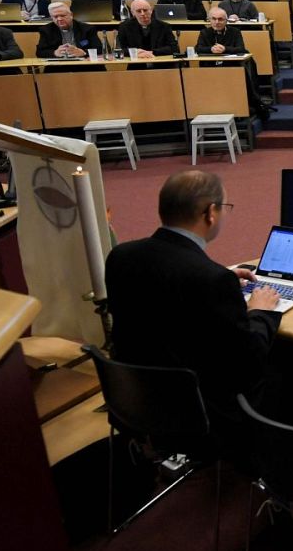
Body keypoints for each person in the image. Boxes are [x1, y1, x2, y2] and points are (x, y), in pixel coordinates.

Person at [108, 170, 282, 461]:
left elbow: (162, 296)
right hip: (200, 413)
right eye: (225, 207)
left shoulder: (120, 256)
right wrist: (260, 311)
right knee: (289, 369)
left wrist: (221, 279)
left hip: (136, 398)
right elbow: (247, 362)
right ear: (210, 213)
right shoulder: (211, 280)